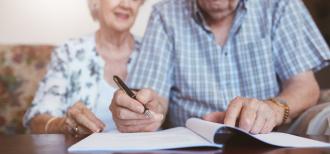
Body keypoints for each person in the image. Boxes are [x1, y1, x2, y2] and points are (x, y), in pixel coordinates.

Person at [110, 0, 330, 134]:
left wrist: (273, 109)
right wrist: (142, 110)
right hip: (193, 147)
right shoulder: (165, 14)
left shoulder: (280, 4)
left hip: (272, 139)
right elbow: (154, 97)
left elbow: (305, 86)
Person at [23, 0, 145, 135]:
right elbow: (36, 120)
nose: (126, 4)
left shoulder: (155, 51)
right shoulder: (69, 51)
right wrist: (65, 125)